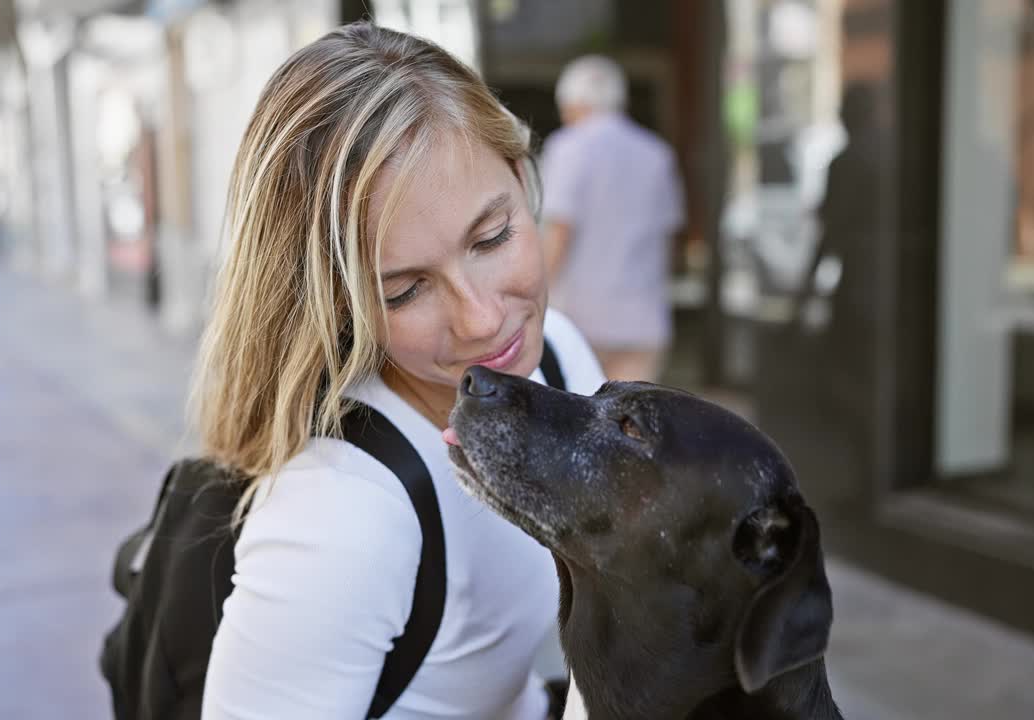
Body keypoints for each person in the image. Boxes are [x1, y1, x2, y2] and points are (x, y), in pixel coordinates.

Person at [192, 22, 606, 720]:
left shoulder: (559, 358)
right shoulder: (343, 512)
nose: (479, 320)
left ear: (522, 173)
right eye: (405, 289)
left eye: (492, 236)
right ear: (337, 303)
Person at [539, 55, 686, 383]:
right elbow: (670, 240)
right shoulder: (657, 154)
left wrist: (536, 297)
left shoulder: (567, 148)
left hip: (581, 319)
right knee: (634, 425)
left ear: (573, 103)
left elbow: (558, 234)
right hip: (642, 321)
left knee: (580, 421)